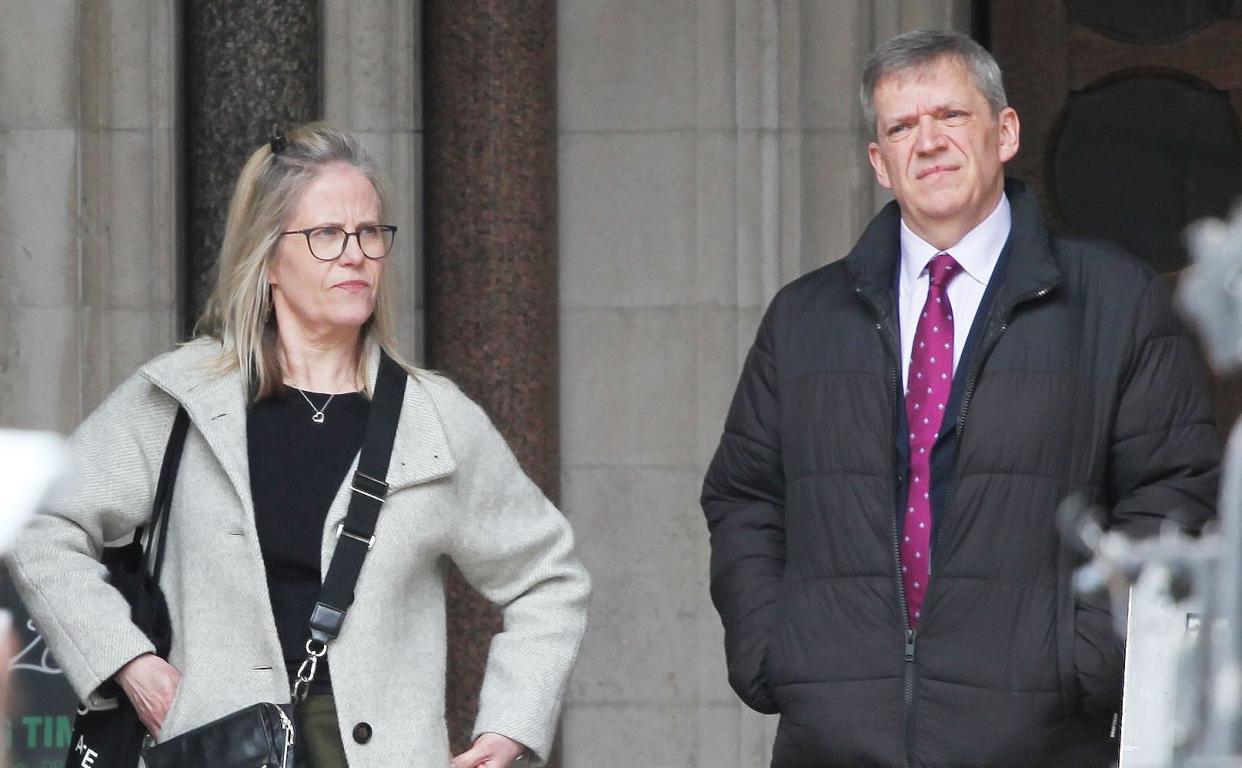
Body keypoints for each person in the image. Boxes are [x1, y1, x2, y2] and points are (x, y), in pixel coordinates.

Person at [701, 30, 1219, 768]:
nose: (930, 142)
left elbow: (1174, 491)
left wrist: (1085, 657)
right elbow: (745, 496)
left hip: (1039, 741)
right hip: (837, 739)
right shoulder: (805, 318)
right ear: (880, 163)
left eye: (950, 115)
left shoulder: (1114, 300)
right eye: (902, 127)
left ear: (1004, 132)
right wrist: (776, 649)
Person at [10, 123, 590, 768]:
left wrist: (509, 727)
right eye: (325, 235)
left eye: (370, 233)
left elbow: (548, 579)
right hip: (211, 746)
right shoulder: (181, 400)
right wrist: (127, 659)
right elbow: (41, 521)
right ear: (268, 259)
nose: (355, 255)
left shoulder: (435, 420)